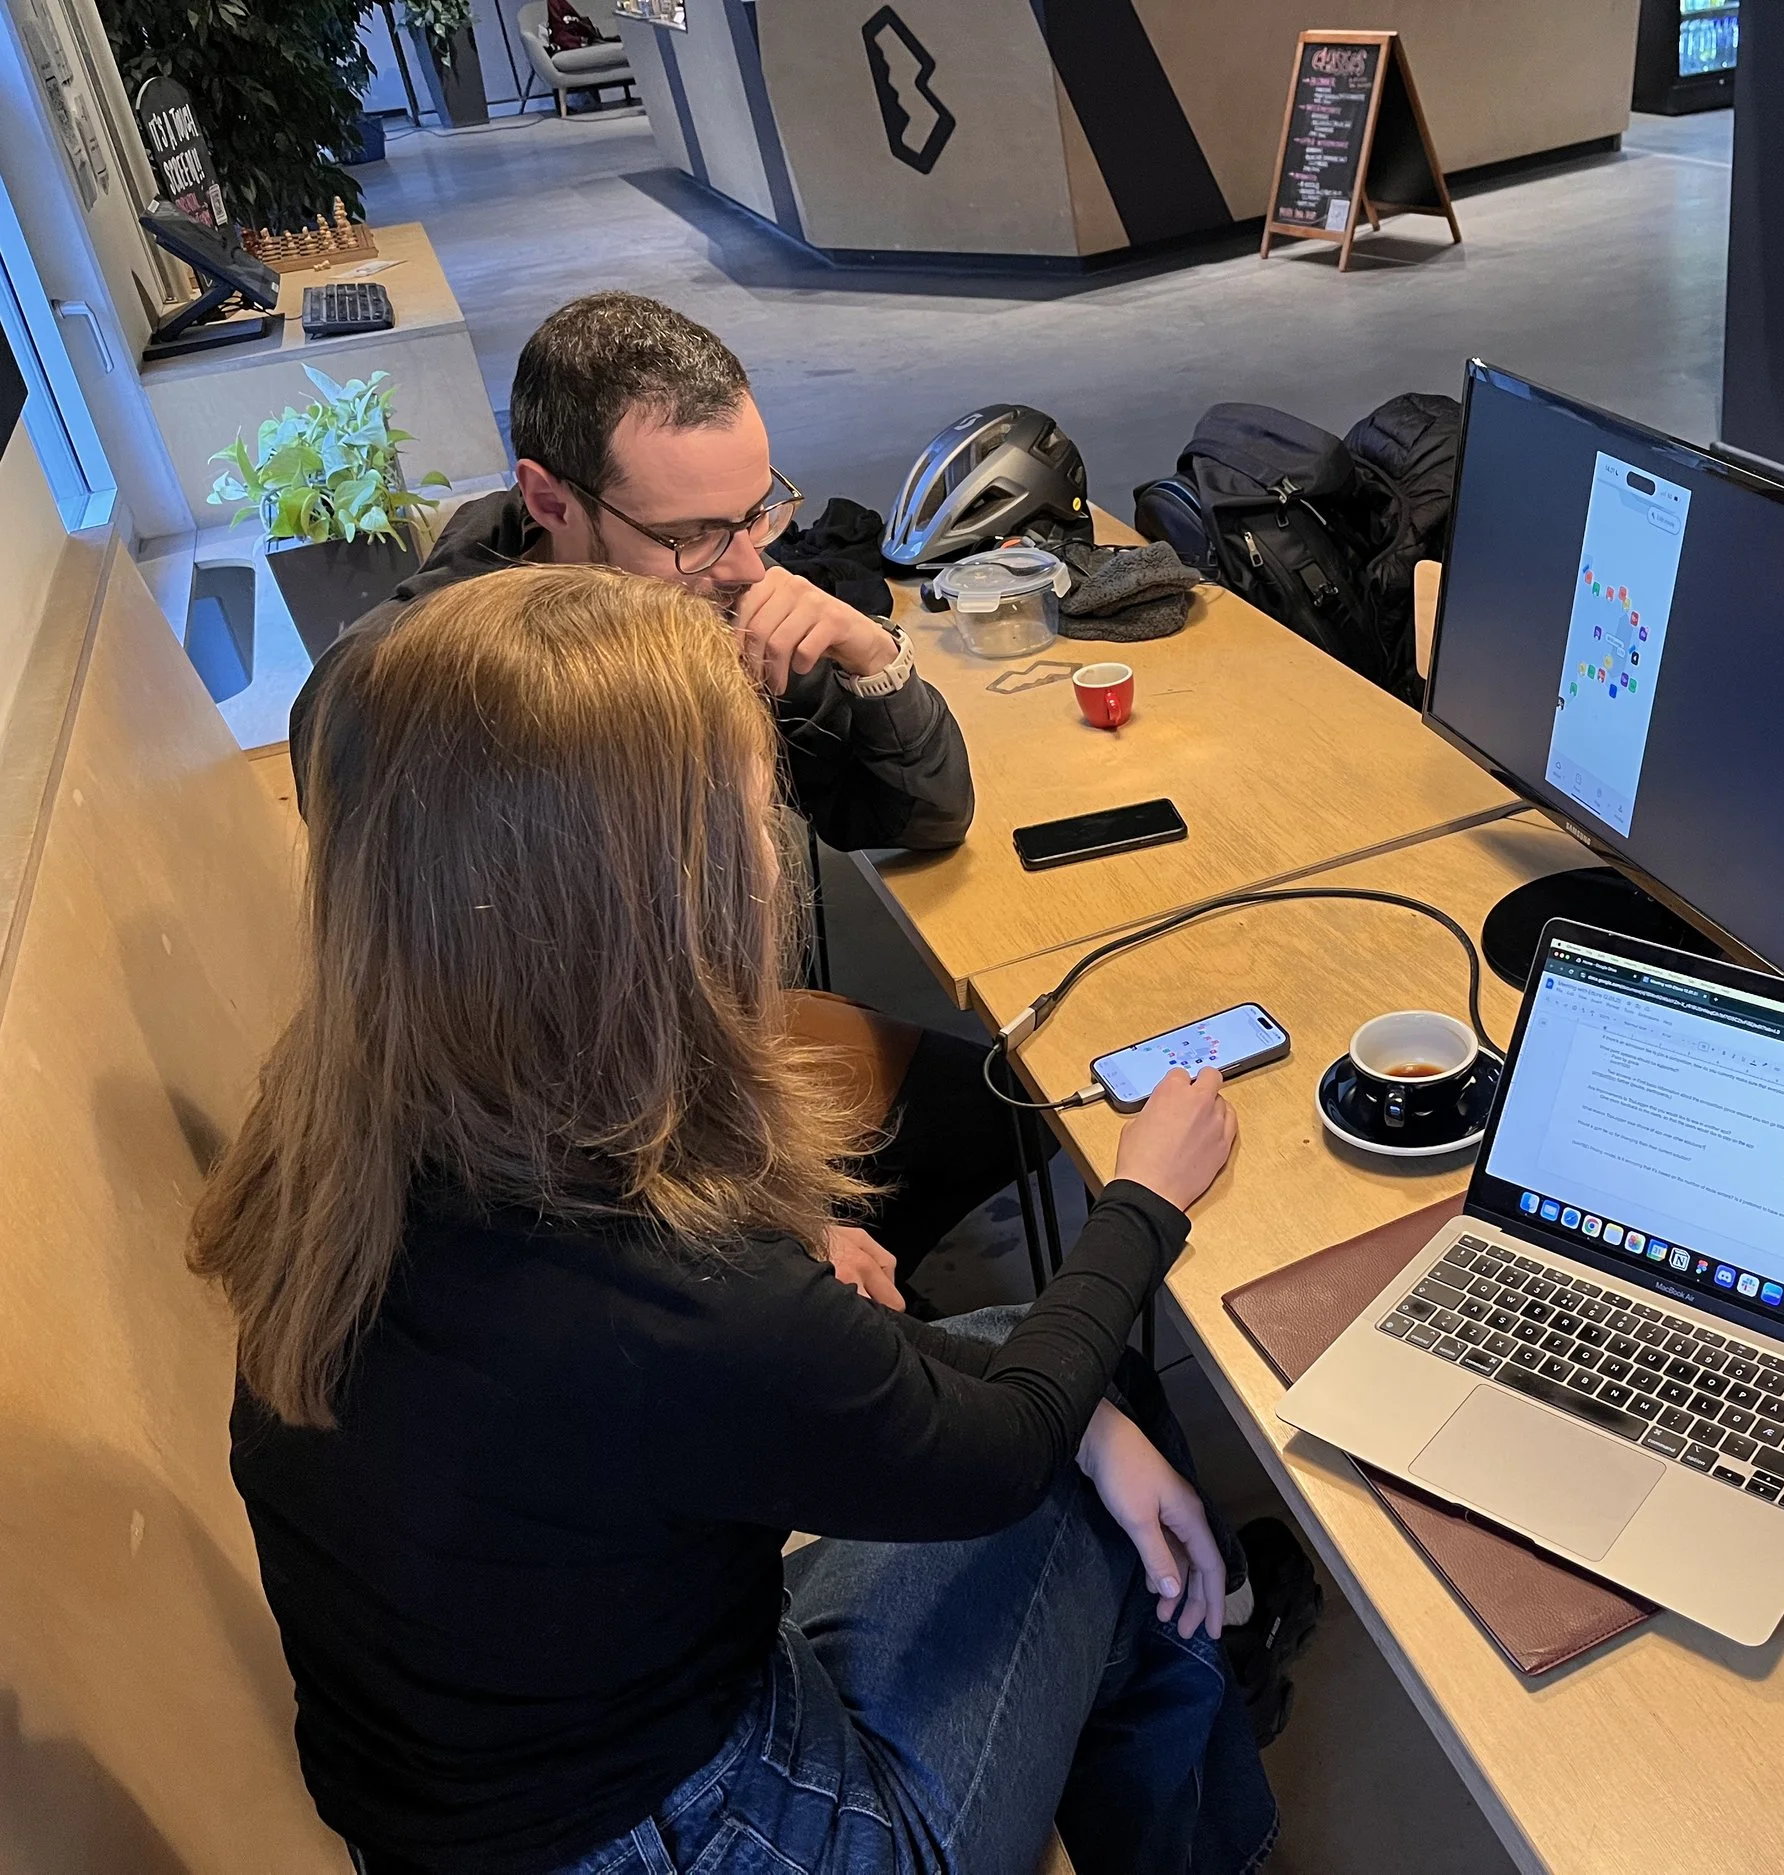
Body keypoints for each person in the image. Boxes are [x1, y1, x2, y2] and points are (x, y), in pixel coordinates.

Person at [202, 565, 1274, 1874]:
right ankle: (1209, 1763)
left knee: (1048, 1371)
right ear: (650, 900)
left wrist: (1073, 1410)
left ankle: (1183, 1666)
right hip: (728, 1833)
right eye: (753, 814)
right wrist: (1142, 1200)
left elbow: (736, 1357)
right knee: (1093, 1444)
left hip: (511, 1790)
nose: (773, 852)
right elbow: (996, 1453)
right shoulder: (673, 1300)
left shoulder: (352, 1140)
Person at [288, 292, 1009, 1292]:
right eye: (694, 532)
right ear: (549, 501)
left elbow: (916, 816)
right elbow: (477, 1064)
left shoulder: (707, 595)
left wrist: (873, 656)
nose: (746, 565)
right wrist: (775, 1229)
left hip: (700, 1042)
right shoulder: (410, 702)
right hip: (560, 1153)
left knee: (1004, 1107)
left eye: (757, 512)